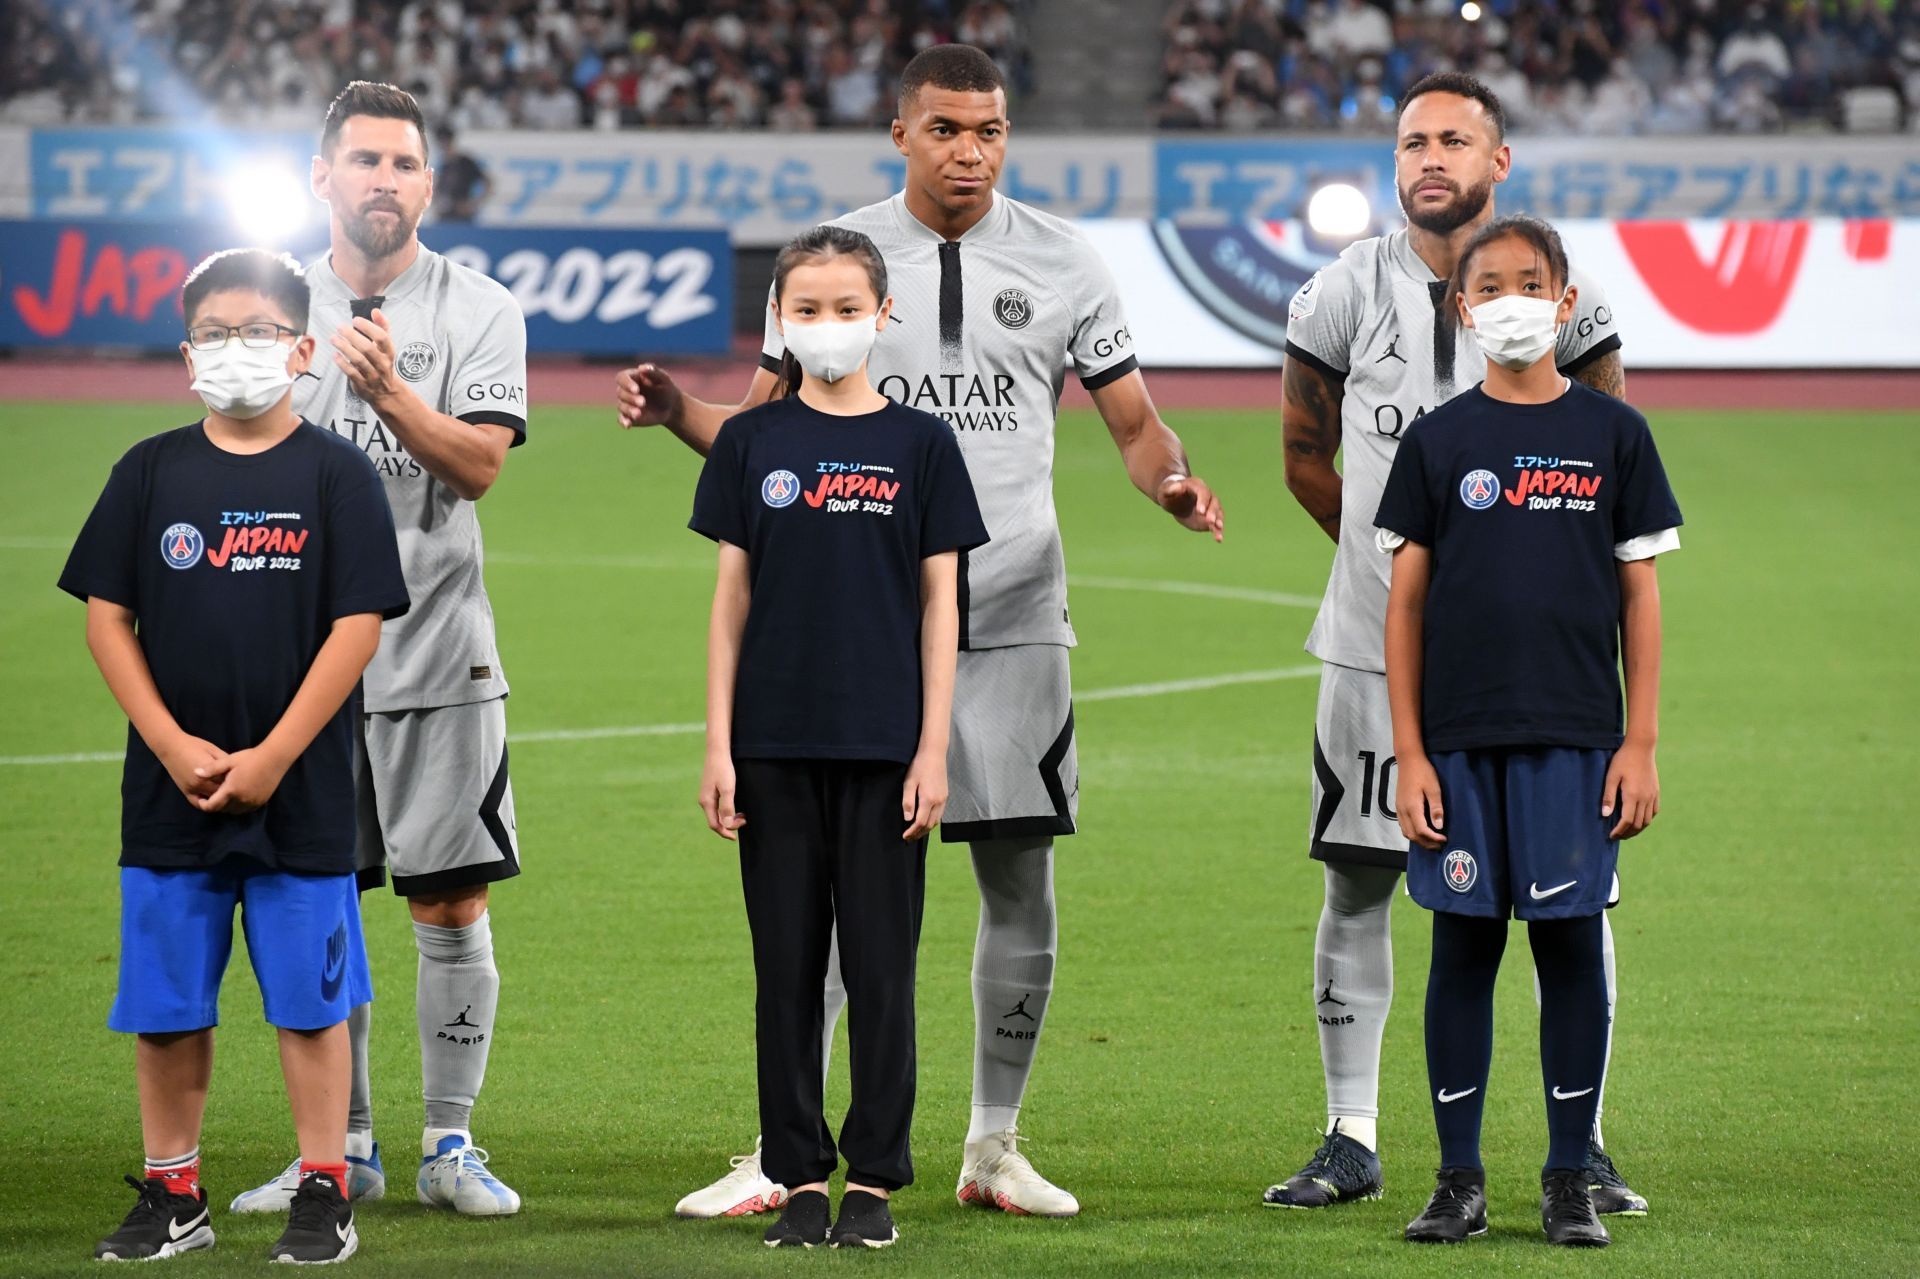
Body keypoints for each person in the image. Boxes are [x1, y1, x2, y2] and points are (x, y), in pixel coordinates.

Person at [617, 44, 1223, 1221]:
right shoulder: (838, 263)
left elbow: (1136, 424)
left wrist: (1172, 484)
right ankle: (786, 1146)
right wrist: (678, 409)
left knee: (1019, 875)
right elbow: (762, 438)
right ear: (901, 133)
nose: (970, 151)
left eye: (989, 130)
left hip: (1012, 615)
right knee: (838, 895)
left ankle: (993, 1143)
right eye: (946, 129)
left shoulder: (1065, 260)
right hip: (858, 630)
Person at [1271, 70, 1649, 1214]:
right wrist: (1400, 565)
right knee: (1359, 877)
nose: (1429, 158)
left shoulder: (1559, 296)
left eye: (1454, 140)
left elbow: (1605, 463)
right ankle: (1350, 1133)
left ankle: (1580, 1146)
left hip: (1534, 670)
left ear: (1500, 160)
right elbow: (1302, 452)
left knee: (1571, 899)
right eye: (1411, 141)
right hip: (1367, 645)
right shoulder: (1341, 291)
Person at [65, 248, 410, 1264]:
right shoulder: (150, 468)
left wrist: (271, 754)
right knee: (167, 1004)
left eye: (258, 331)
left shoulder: (335, 473)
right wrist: (171, 744)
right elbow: (105, 618)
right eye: (214, 332)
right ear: (185, 352)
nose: (235, 349)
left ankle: (324, 1186)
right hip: (170, 794)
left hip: (299, 793)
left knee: (311, 1002)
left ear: (303, 350)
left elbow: (357, 629)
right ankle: (174, 1189)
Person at [230, 81, 530, 1218]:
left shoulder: (479, 308)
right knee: (318, 901)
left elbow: (479, 464)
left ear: (427, 184)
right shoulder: (262, 301)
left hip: (439, 657)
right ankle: (341, 1147)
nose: (384, 180)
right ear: (323, 176)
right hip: (299, 670)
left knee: (449, 904)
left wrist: (389, 390)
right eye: (363, 160)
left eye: (405, 163)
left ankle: (450, 1144)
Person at [1378, 215, 1680, 1247]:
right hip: (1458, 744)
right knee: (1460, 949)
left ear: (1563, 302)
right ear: (1464, 309)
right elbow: (1404, 607)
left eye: (1530, 283)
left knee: (1567, 950)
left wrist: (1639, 743)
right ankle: (1458, 1179)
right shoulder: (1437, 440)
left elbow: (1640, 599)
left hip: (1577, 738)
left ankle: (1565, 1175)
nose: (1509, 299)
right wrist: (1410, 751)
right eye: (1489, 285)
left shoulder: (1615, 434)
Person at [691, 225, 989, 1249]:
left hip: (883, 746)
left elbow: (940, 605)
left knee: (880, 968)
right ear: (778, 321)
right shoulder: (749, 443)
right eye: (806, 310)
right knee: (785, 970)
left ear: (882, 315)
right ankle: (797, 1172)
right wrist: (718, 745)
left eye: (845, 307)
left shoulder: (921, 444)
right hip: (771, 744)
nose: (827, 325)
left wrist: (933, 747)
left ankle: (874, 1179)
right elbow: (730, 600)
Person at [430, 126, 490, 223]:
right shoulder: (443, 165)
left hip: (463, 215)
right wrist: (436, 203)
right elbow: (438, 188)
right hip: (445, 214)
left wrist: (474, 203)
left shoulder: (465, 162)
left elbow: (488, 182)